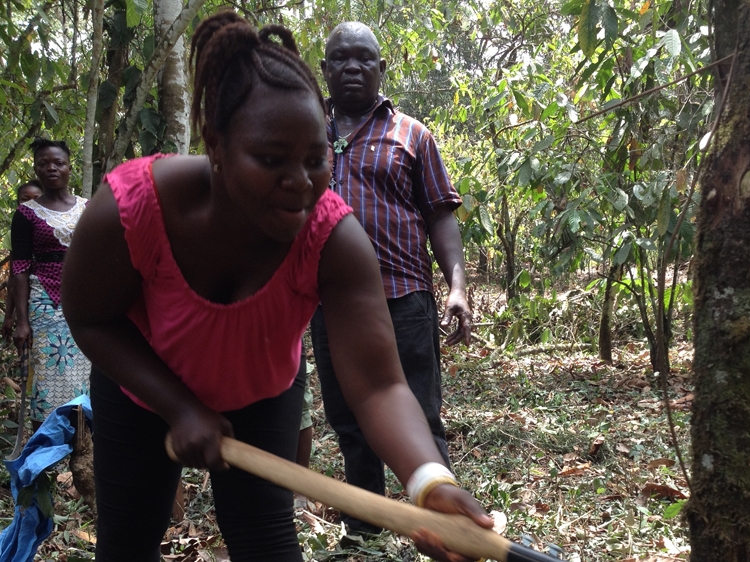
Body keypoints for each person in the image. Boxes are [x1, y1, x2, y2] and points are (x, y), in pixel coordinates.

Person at [60, 11, 490, 562]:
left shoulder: (333, 238)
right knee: (127, 547)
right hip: (142, 397)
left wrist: (430, 482)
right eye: (271, 159)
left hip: (262, 397)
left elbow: (379, 385)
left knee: (267, 546)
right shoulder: (131, 209)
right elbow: (91, 316)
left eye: (316, 160)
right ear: (215, 143)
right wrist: (178, 406)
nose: (301, 182)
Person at [313, 21, 473, 535]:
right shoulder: (305, 134)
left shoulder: (413, 135)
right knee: (349, 423)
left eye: (364, 59)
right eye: (340, 58)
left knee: (421, 416)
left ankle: (442, 527)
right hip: (330, 304)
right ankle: (364, 533)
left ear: (382, 69)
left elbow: (440, 215)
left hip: (403, 298)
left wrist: (456, 287)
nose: (353, 67)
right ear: (325, 70)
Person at [11, 140, 91, 424]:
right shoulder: (25, 214)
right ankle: (45, 452)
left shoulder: (88, 207)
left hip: (83, 302)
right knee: (47, 374)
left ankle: (83, 450)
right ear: (36, 168)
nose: (51, 168)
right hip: (44, 303)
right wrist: (22, 321)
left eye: (58, 162)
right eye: (44, 163)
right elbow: (19, 267)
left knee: (85, 375)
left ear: (70, 167)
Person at [2, 180, 43, 342]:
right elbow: (15, 275)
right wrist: (9, 316)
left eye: (37, 198)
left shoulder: (55, 228)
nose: (31, 203)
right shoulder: (14, 233)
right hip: (26, 302)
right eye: (25, 199)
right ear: (18, 202)